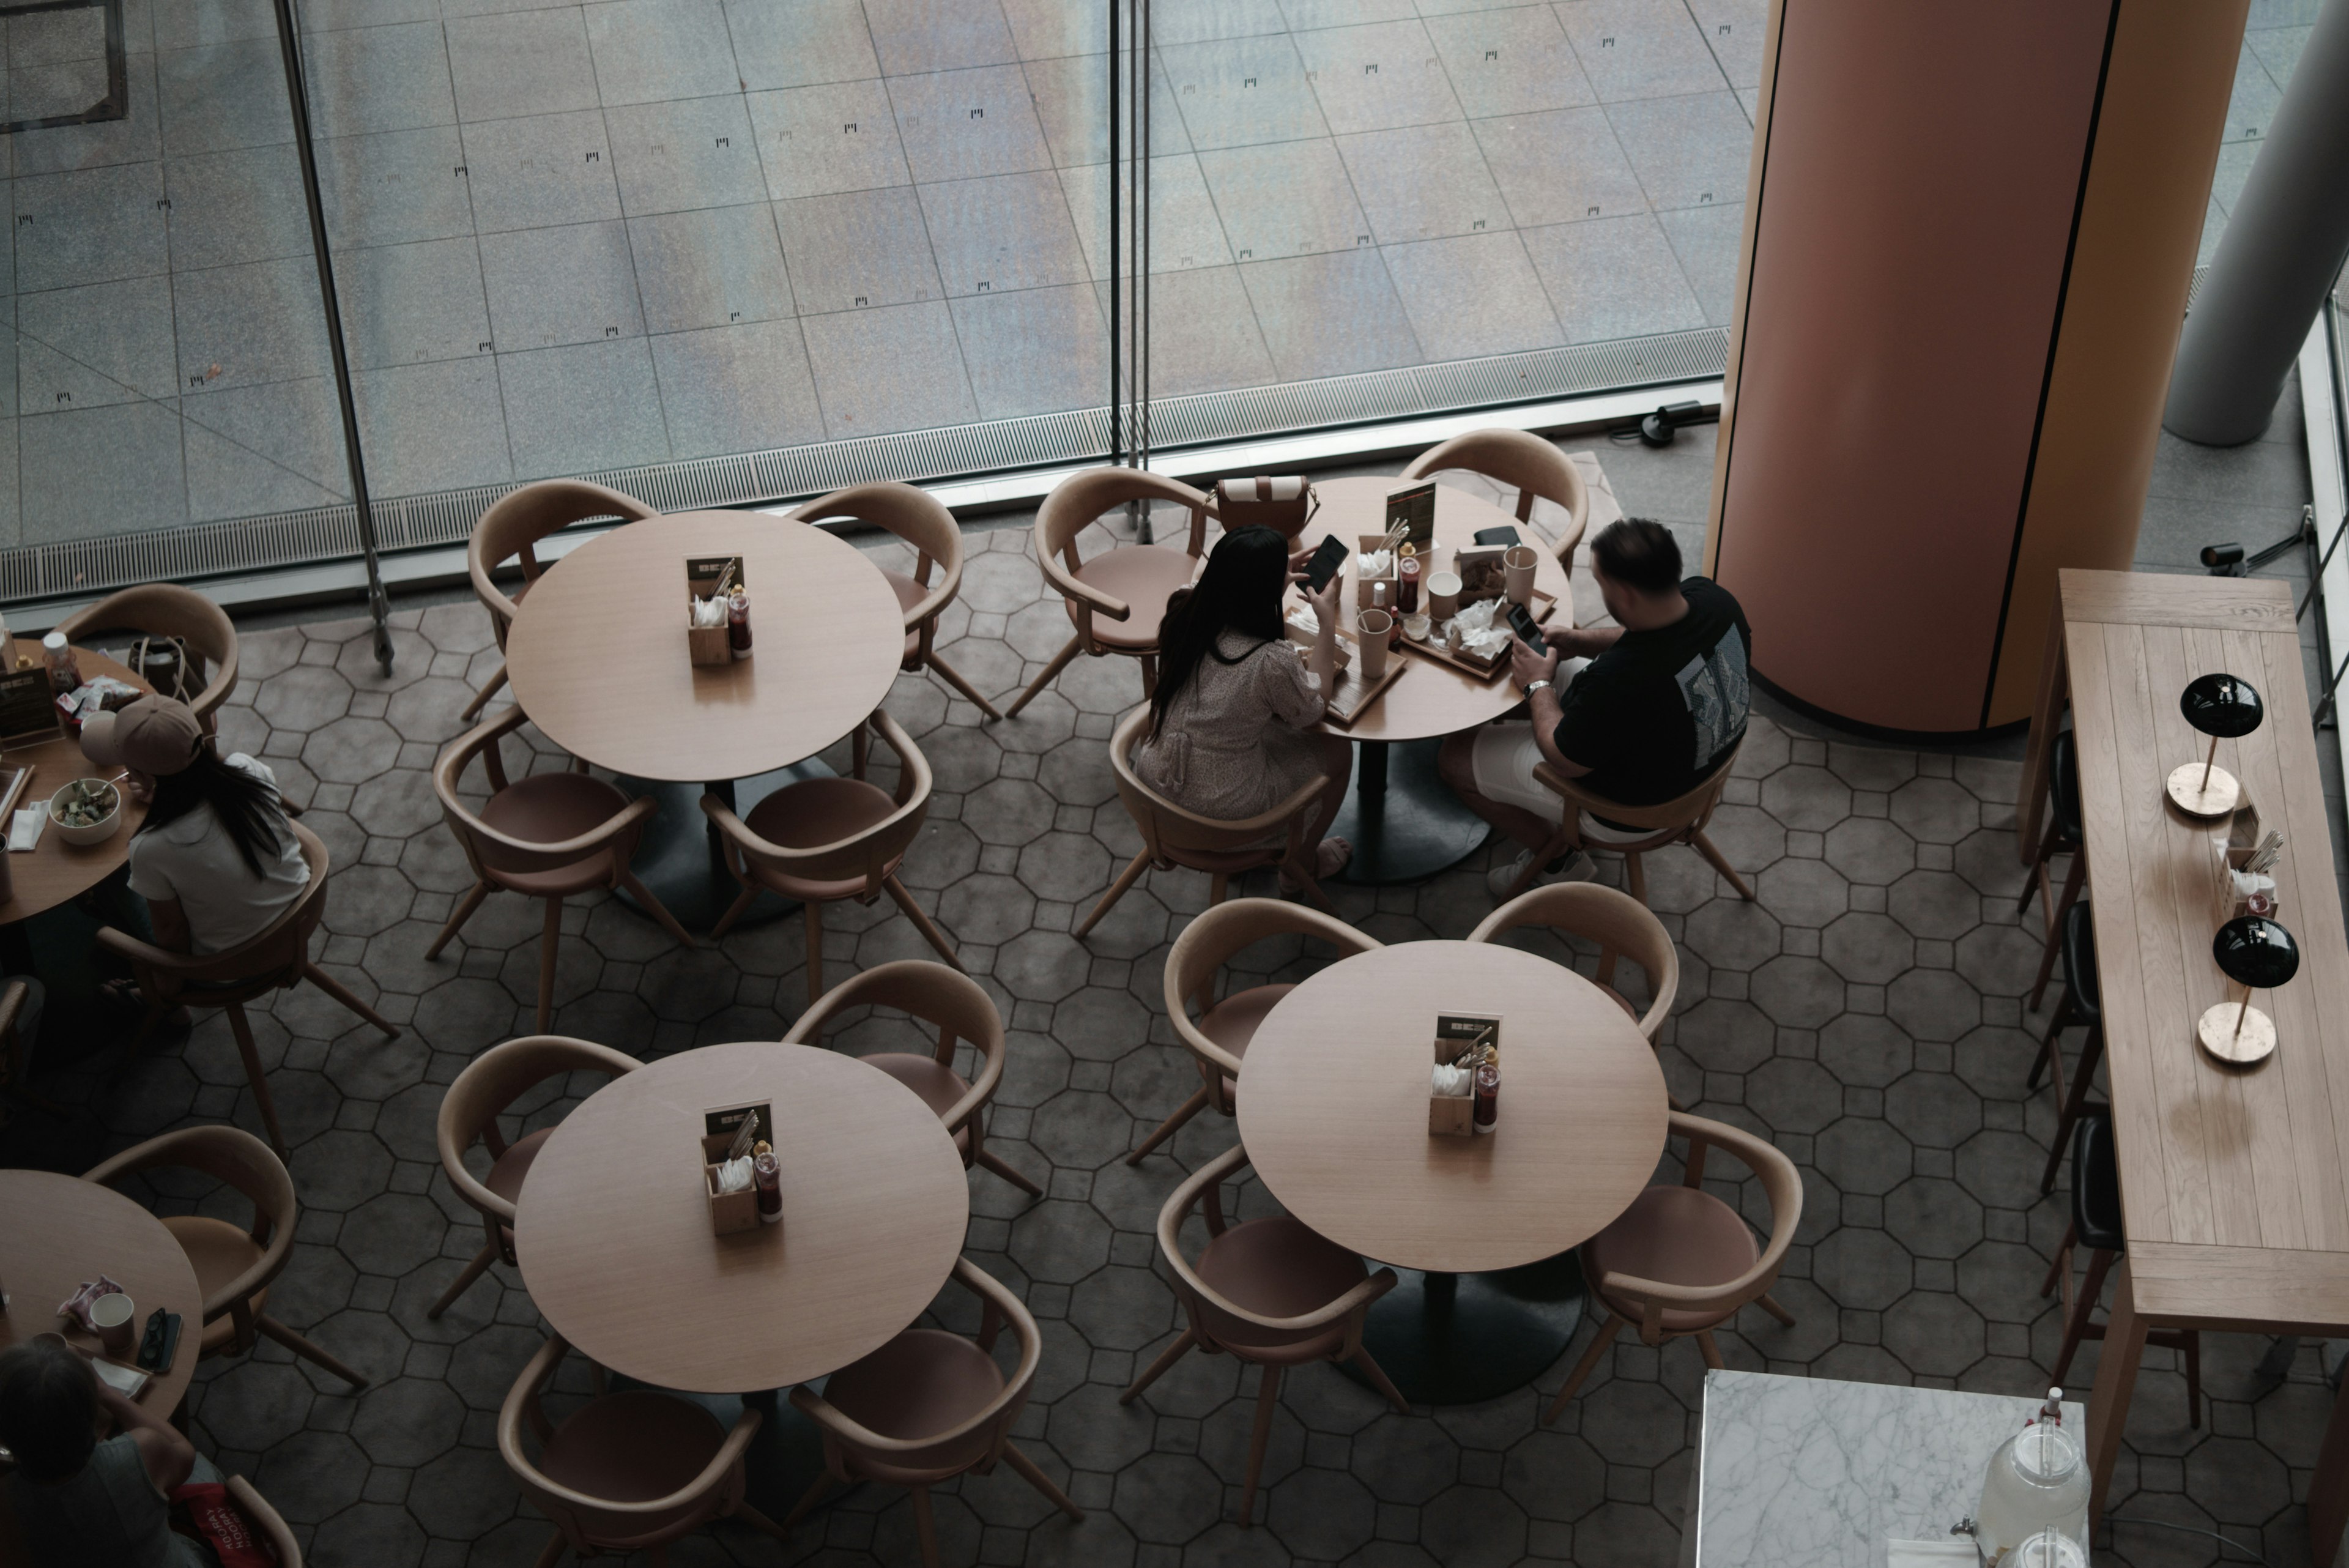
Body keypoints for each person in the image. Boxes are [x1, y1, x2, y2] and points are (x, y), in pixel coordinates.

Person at [1438, 518, 1751, 897]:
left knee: (1454, 758)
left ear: (1625, 595)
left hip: (1628, 812)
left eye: (1602, 584)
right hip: (1703, 761)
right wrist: (1577, 640)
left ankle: (1558, 863)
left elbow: (1564, 760)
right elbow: (1648, 636)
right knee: (1540, 671)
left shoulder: (1622, 681)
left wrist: (1537, 686)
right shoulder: (1714, 599)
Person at [1131, 525, 1355, 890]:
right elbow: (1313, 709)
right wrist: (1326, 621)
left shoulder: (1181, 610)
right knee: (1339, 752)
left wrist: (1273, 576)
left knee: (1256, 723)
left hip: (1155, 789)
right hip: (1222, 814)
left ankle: (1242, 861)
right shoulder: (1268, 661)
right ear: (1262, 591)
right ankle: (1300, 866)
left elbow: (1208, 579)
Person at [81, 696, 308, 958]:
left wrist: (168, 989)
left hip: (233, 965)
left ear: (142, 776)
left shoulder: (151, 847)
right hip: (302, 918)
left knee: (112, 877)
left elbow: (172, 931)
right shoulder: (249, 769)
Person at [0, 1337, 219, 1566]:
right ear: (92, 1416)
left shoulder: (7, 1502)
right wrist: (105, 1391)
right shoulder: (140, 1452)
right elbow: (184, 1453)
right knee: (200, 1466)